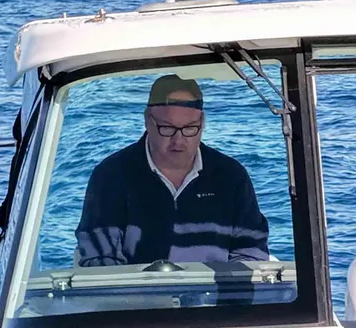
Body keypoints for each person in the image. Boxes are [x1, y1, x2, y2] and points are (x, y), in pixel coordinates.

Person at [76, 72, 273, 270]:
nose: (178, 141)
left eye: (190, 128)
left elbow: (250, 252)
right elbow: (101, 258)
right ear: (147, 120)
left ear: (202, 122)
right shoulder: (110, 175)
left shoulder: (232, 176)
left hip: (214, 298)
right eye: (167, 128)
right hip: (135, 298)